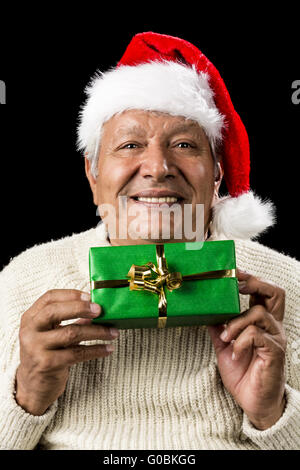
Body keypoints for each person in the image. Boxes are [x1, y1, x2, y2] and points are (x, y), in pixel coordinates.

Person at [0, 32, 299, 450]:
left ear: (215, 174)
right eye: (130, 145)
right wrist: (26, 397)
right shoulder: (25, 279)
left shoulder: (285, 283)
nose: (158, 168)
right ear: (93, 173)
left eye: (183, 144)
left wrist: (271, 414)